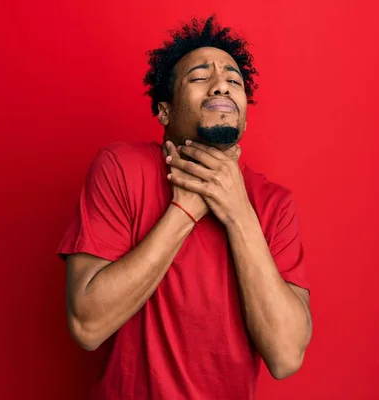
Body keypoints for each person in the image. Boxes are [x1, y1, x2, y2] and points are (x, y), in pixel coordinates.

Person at [57, 15, 312, 400]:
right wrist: (186, 209)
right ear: (165, 112)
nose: (221, 83)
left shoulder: (274, 204)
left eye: (233, 79)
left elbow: (286, 356)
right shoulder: (120, 169)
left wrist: (238, 211)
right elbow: (88, 325)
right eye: (198, 77)